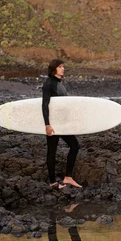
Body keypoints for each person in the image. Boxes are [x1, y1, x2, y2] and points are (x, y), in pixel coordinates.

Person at [42, 59, 82, 189]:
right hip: (53, 124)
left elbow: (62, 104)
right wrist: (47, 124)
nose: (63, 68)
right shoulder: (49, 84)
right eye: (60, 67)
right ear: (53, 68)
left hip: (62, 123)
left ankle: (68, 177)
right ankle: (53, 182)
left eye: (63, 66)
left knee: (75, 146)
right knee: (52, 151)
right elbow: (45, 105)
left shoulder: (59, 84)